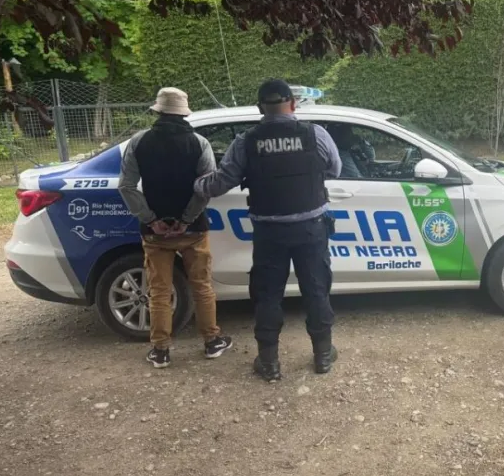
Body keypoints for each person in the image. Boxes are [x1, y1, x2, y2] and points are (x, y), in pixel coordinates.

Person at [194, 79, 342, 382]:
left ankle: (269, 362)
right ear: (293, 104)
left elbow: (221, 182)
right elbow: (335, 169)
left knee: (268, 295)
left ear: (260, 107)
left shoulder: (246, 141)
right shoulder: (316, 134)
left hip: (270, 234)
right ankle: (323, 356)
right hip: (311, 230)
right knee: (316, 290)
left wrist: (196, 184)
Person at [118, 87, 233, 368]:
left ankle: (160, 350)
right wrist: (185, 219)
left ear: (157, 111)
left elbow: (126, 186)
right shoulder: (199, 143)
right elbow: (205, 187)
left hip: (155, 234)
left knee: (159, 291)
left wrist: (151, 219)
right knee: (202, 286)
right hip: (193, 230)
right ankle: (211, 342)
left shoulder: (138, 142)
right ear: (184, 113)